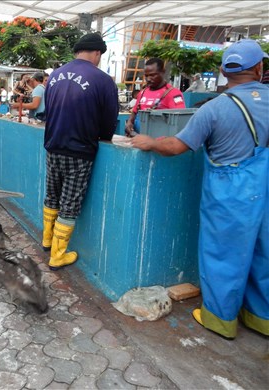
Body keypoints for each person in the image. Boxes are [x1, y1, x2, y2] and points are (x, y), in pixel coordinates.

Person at [131, 39, 268, 340]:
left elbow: (177, 145)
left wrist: (151, 142)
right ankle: (261, 319)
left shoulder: (214, 109)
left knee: (224, 255)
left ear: (222, 70)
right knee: (264, 253)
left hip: (232, 195)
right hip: (265, 189)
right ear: (259, 68)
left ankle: (220, 320)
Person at [42, 33, 118, 270]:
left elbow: (48, 111)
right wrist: (103, 139)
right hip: (80, 150)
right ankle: (57, 255)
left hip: (53, 146)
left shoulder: (54, 76)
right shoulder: (103, 80)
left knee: (52, 194)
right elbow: (109, 120)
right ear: (97, 53)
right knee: (70, 204)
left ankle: (46, 239)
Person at [125, 58, 185, 136]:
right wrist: (129, 123)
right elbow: (135, 112)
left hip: (159, 142)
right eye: (146, 76)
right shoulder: (142, 93)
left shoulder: (173, 94)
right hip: (139, 140)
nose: (148, 79)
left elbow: (179, 120)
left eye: (153, 75)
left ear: (163, 72)